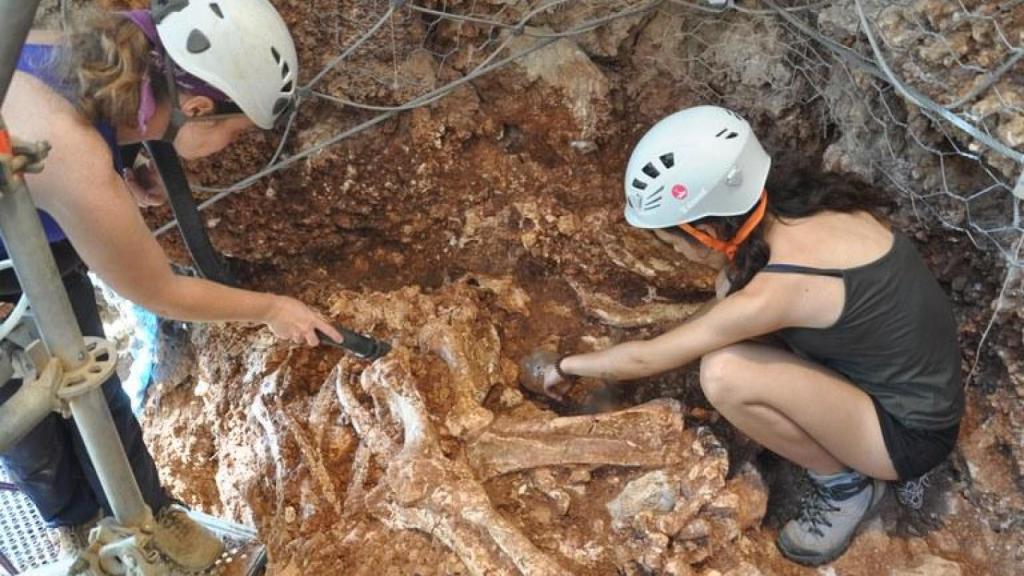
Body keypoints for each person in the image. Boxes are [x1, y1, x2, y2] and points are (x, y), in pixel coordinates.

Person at [521, 105, 963, 566]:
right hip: (908, 383)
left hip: (907, 436)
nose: (677, 252)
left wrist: (565, 366)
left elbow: (645, 359)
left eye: (673, 242)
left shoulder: (776, 292)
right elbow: (731, 304)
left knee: (724, 374)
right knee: (728, 288)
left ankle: (845, 487)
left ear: (706, 232)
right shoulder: (812, 204)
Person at [0, 1, 343, 570]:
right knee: (23, 410)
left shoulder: (73, 53)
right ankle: (77, 528)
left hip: (30, 236)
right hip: (7, 255)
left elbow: (81, 138)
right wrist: (273, 308)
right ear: (198, 108)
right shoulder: (75, 153)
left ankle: (148, 513)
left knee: (89, 371)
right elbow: (159, 292)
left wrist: (125, 167)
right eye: (233, 131)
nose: (229, 144)